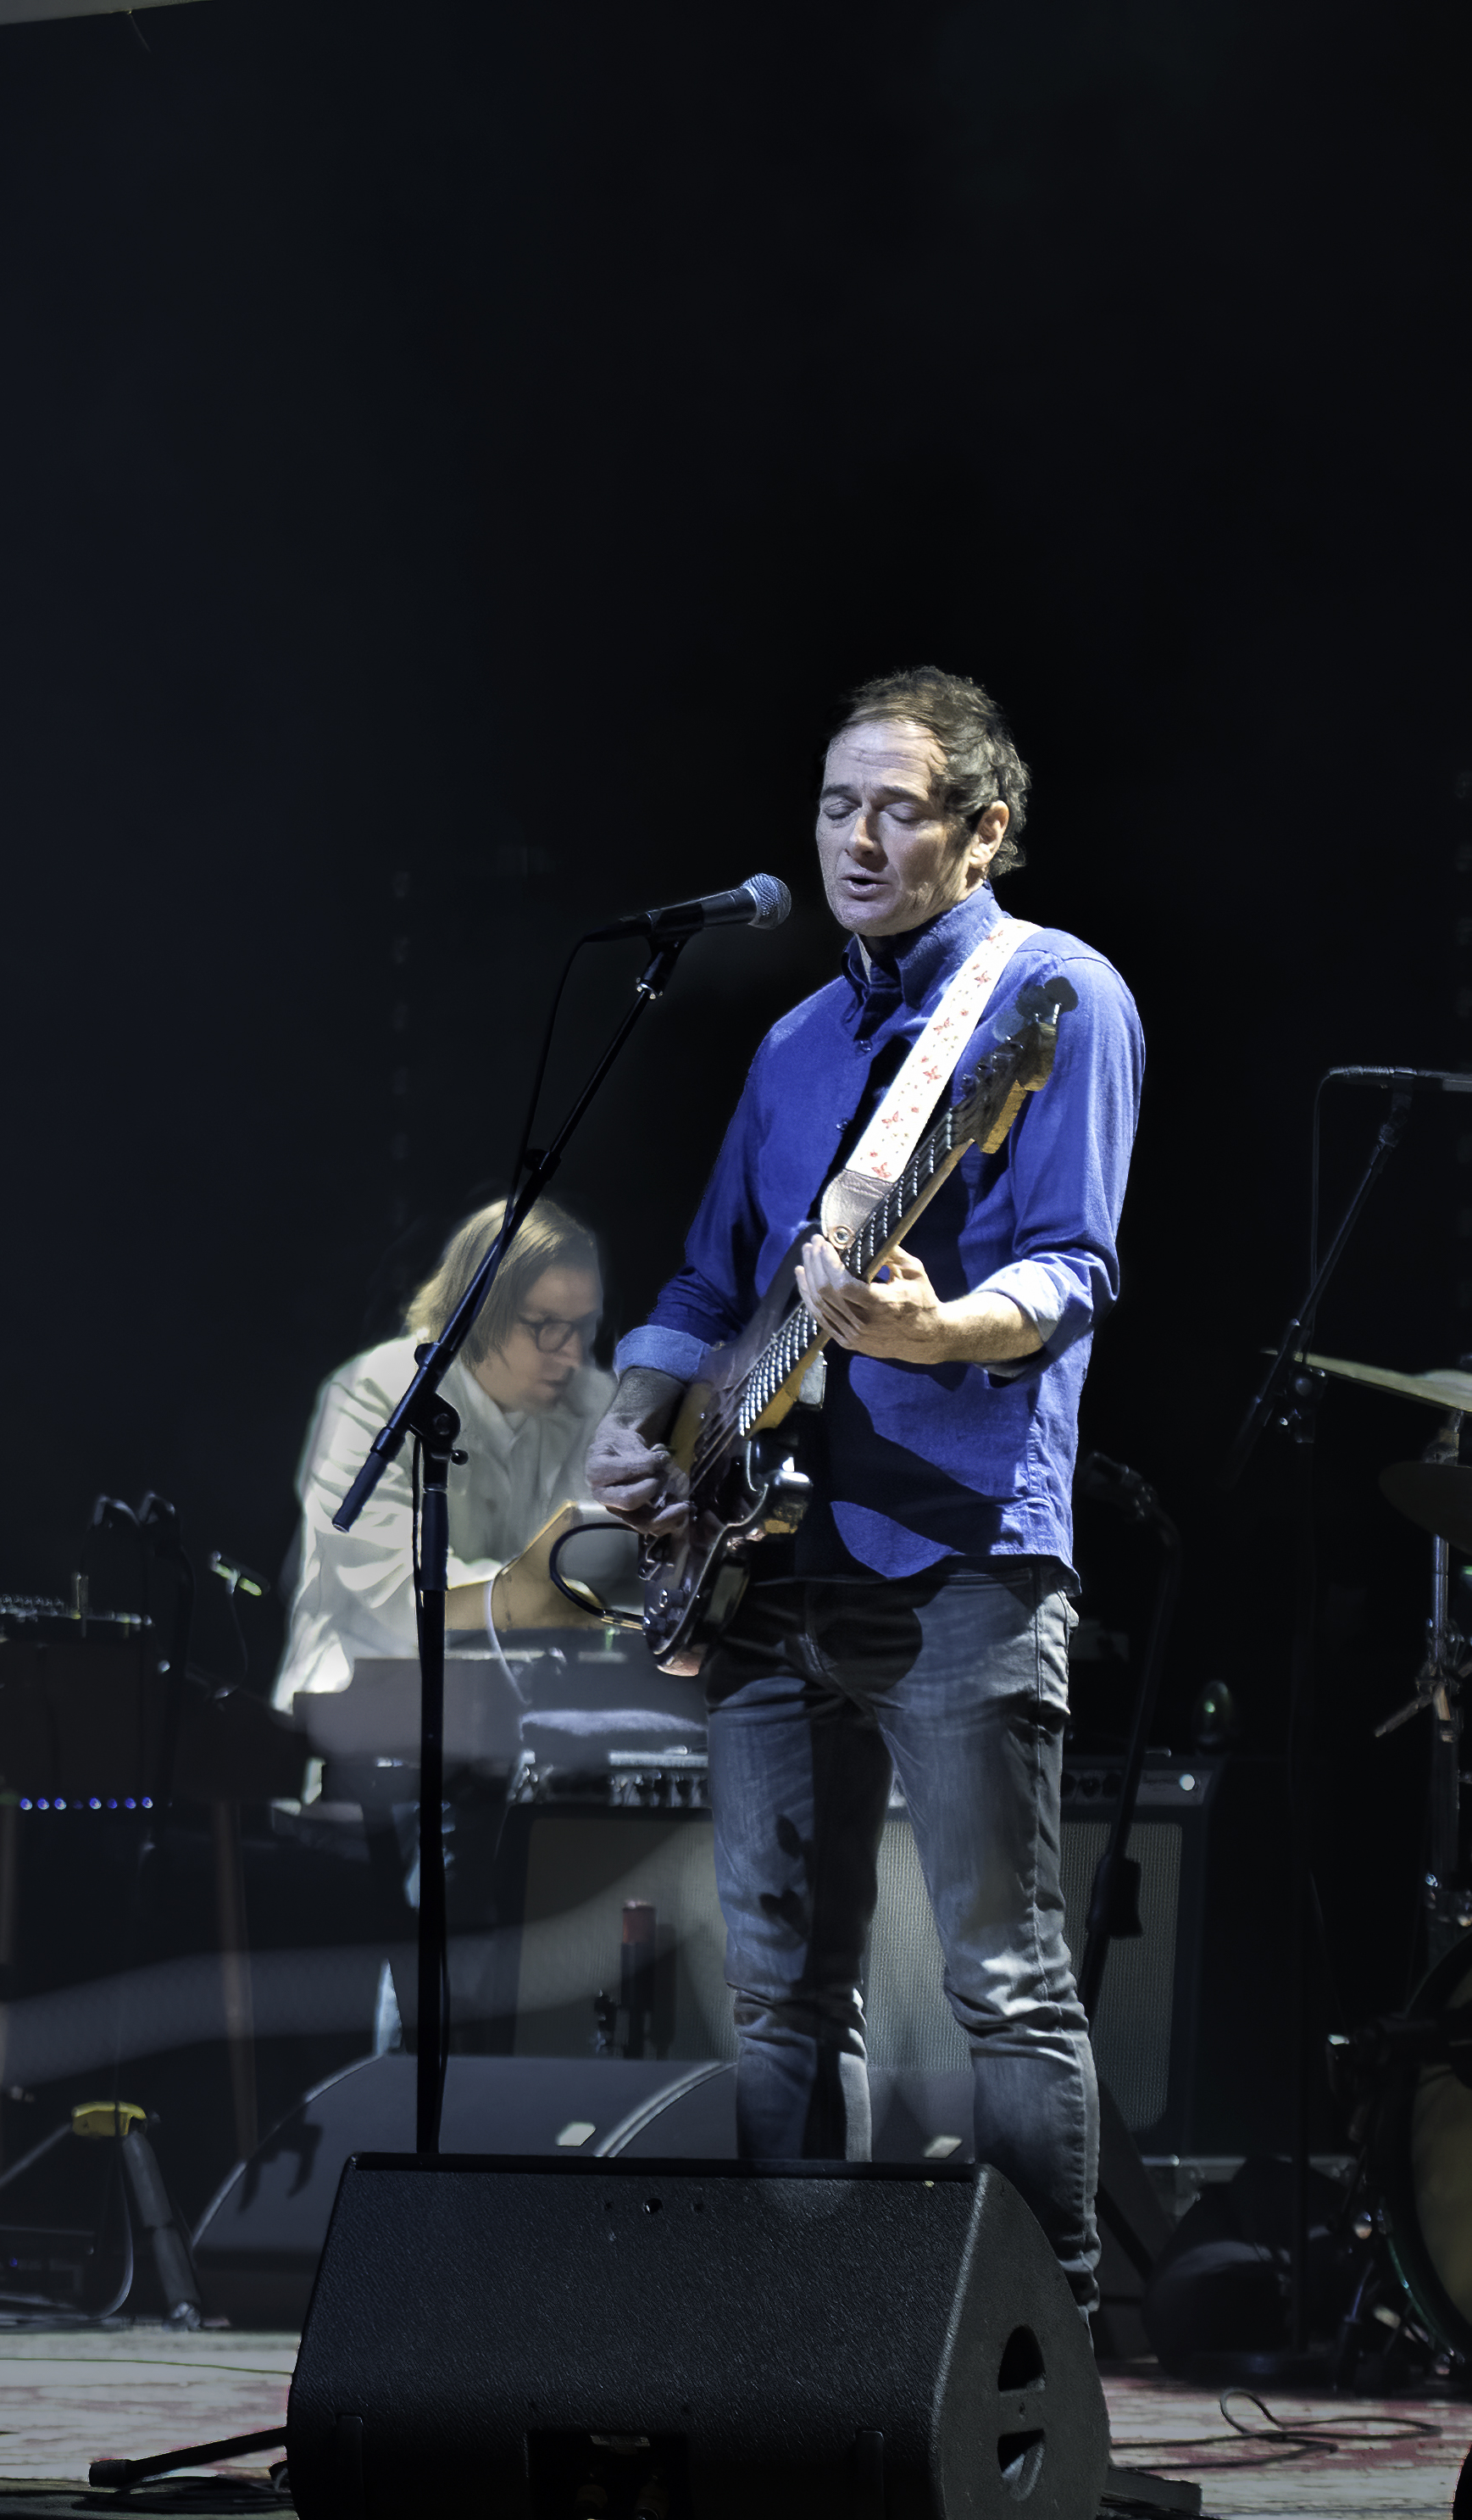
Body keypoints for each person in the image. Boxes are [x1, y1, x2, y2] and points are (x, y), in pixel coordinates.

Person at [584, 668, 1144, 2306]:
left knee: (1006, 1981)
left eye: (899, 805)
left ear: (985, 832)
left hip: (960, 1553)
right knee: (778, 1994)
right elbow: (704, 1287)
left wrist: (930, 1325)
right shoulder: (793, 1039)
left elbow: (1075, 1268)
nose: (858, 834)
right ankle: (795, 2340)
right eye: (837, 803)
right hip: (761, 1554)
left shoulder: (1054, 999)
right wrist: (636, 1426)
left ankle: (1047, 2361)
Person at [274, 1195, 613, 1705]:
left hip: (515, 1716)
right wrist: (529, 1597)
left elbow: (609, 1565)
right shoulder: (374, 1391)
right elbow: (393, 1593)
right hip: (359, 1713)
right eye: (546, 1326)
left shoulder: (592, 1401)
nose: (572, 1354)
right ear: (479, 1312)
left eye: (585, 1327)